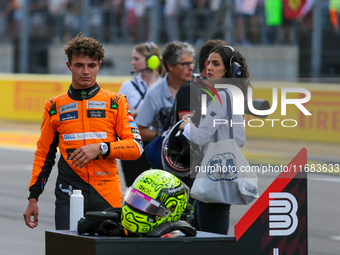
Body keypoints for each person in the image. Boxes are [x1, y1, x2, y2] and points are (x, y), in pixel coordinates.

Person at [23, 32, 143, 230]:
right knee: (68, 249)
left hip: (107, 193)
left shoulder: (116, 102)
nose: (86, 71)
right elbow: (44, 154)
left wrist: (102, 148)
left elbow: (136, 147)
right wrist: (33, 198)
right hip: (68, 192)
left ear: (99, 65)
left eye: (91, 65)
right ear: (69, 66)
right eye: (79, 65)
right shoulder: (54, 106)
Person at [179, 44, 251, 235]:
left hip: (214, 173)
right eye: (208, 62)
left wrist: (186, 126)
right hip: (221, 171)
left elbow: (201, 136)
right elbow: (240, 139)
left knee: (211, 239)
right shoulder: (234, 96)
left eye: (216, 64)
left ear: (230, 70)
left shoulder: (222, 97)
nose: (209, 67)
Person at [118, 42, 165, 187]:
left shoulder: (166, 85)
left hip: (159, 142)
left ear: (152, 60)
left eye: (136, 59)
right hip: (134, 142)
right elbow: (118, 116)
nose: (132, 62)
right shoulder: (127, 86)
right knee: (134, 187)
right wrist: (142, 110)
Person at [135, 41, 195, 142]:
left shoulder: (203, 86)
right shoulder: (154, 93)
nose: (191, 68)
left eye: (192, 63)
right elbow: (140, 129)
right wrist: (166, 136)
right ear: (170, 66)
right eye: (185, 64)